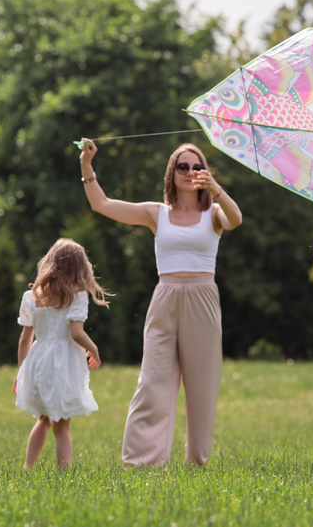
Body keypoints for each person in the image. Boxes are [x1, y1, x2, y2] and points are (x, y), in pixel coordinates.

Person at [78, 138, 242, 467]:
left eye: (197, 167)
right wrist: (86, 165)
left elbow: (235, 219)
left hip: (203, 298)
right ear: (172, 172)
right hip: (165, 297)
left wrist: (216, 189)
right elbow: (101, 204)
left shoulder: (213, 213)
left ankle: (197, 462)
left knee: (202, 387)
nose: (190, 172)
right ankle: (141, 462)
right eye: (183, 166)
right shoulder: (157, 213)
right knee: (152, 382)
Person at [14, 238, 109, 469]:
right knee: (63, 426)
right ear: (80, 268)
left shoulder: (33, 296)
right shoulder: (76, 296)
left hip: (39, 362)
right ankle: (64, 472)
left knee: (44, 419)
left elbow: (25, 339)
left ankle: (28, 466)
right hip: (63, 363)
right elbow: (76, 332)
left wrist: (21, 371)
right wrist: (94, 349)